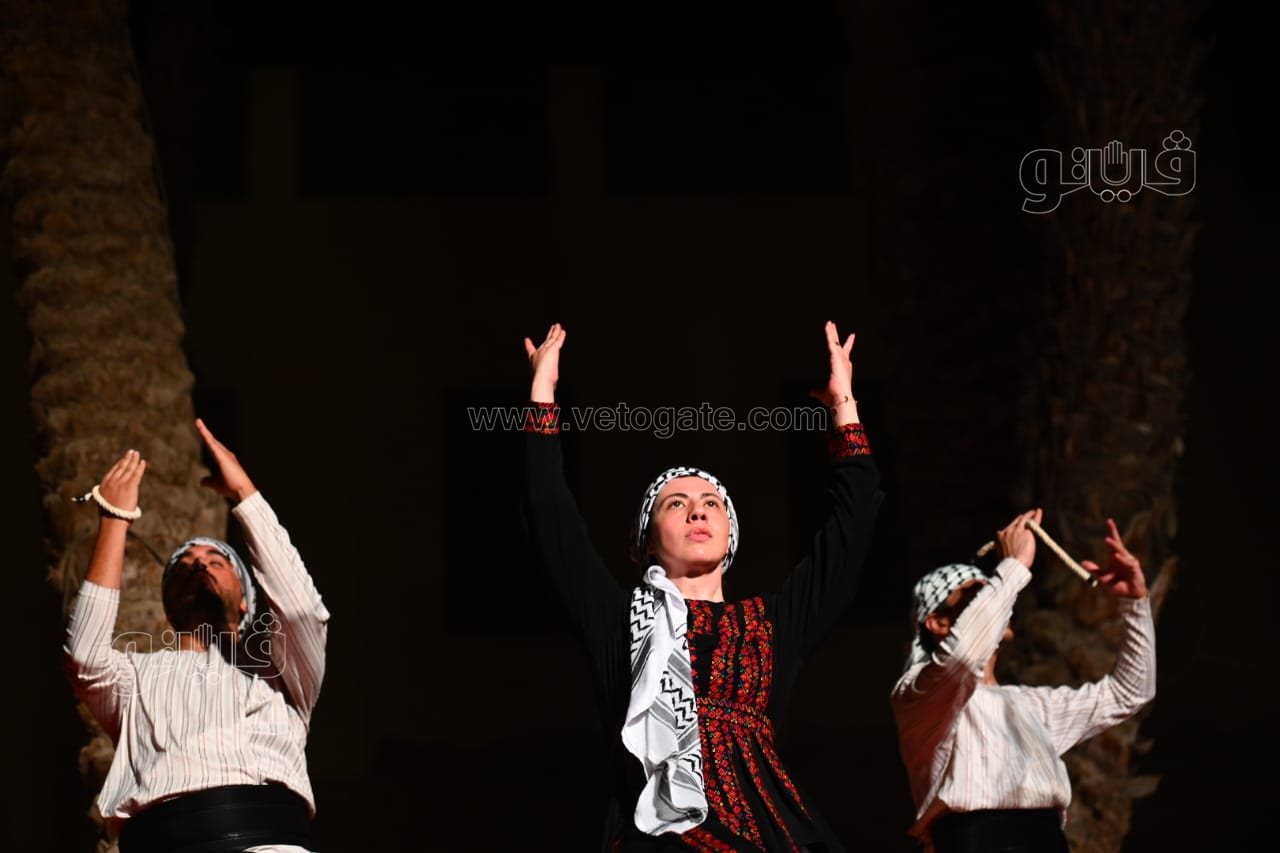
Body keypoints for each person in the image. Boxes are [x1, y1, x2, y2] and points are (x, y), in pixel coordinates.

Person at [522, 321, 883, 851]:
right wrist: (542, 391)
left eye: (712, 503)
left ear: (730, 534)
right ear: (647, 542)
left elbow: (852, 528)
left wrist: (843, 406)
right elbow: (552, 519)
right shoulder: (618, 622)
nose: (697, 510)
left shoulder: (774, 623)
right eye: (676, 503)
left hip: (766, 836)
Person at [64, 419, 329, 853]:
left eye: (216, 561)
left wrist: (246, 495)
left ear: (246, 602)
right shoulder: (134, 677)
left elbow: (303, 612)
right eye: (185, 565)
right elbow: (84, 657)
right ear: (170, 608)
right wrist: (114, 519)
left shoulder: (281, 671)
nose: (199, 563)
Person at [890, 509, 1156, 853]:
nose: (996, 600)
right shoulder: (918, 694)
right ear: (939, 623)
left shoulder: (1030, 706)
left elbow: (1130, 693)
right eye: (977, 596)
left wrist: (1135, 602)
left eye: (994, 595)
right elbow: (963, 656)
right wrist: (1014, 565)